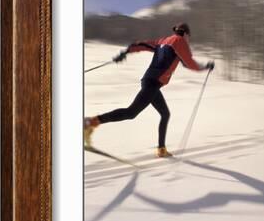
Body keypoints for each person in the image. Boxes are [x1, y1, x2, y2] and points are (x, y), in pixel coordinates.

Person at [84, 22, 214, 157]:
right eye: (189, 37)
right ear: (186, 34)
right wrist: (205, 67)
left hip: (150, 82)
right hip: (153, 83)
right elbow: (189, 62)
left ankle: (161, 149)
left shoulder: (163, 41)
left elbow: (141, 44)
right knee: (131, 112)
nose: (188, 40)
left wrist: (125, 52)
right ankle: (90, 122)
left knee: (165, 114)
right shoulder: (180, 42)